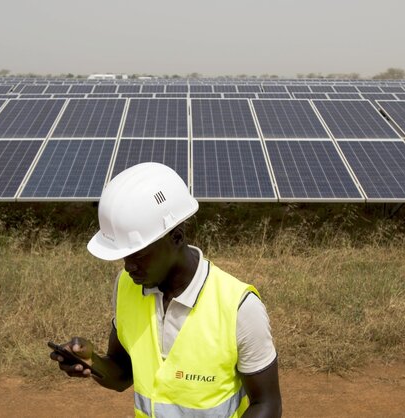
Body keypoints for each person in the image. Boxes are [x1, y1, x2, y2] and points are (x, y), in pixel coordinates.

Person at [50, 162, 282, 417]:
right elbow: (122, 374)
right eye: (124, 256)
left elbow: (267, 405)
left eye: (138, 255)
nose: (128, 267)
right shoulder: (126, 287)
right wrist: (92, 361)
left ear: (176, 237)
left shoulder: (239, 306)